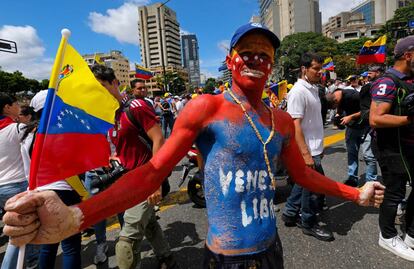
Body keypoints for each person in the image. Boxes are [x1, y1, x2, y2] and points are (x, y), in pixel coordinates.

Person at [3, 23, 385, 269]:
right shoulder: (206, 108)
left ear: (272, 65)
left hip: (272, 251)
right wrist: (77, 217)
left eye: (264, 55)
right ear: (230, 60)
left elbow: (302, 174)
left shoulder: (280, 119)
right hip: (226, 258)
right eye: (247, 52)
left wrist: (355, 193)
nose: (255, 60)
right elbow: (151, 172)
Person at [114, 79, 176, 269]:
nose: (142, 90)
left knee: (126, 241)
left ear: (113, 84)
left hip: (145, 180)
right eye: (139, 88)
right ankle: (167, 258)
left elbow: (159, 139)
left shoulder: (138, 106)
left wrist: (155, 182)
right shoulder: (111, 114)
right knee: (149, 224)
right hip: (126, 180)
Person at [369, 35, 414, 261]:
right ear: (408, 55)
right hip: (391, 149)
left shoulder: (409, 79)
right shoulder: (388, 81)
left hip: (408, 147)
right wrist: (409, 119)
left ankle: (411, 234)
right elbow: (376, 118)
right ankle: (387, 235)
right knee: (394, 193)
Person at [282, 53, 334, 242]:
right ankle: (308, 222)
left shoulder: (313, 88)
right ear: (304, 69)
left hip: (314, 147)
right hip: (306, 150)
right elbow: (295, 125)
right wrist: (306, 154)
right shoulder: (298, 91)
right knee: (312, 187)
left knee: (303, 183)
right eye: (316, 68)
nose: (320, 72)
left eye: (321, 68)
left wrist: (319, 146)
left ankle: (289, 213)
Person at [0, 93, 38, 269]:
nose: (18, 106)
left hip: (2, 187)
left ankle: (30, 260)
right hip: (17, 185)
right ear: (7, 108)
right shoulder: (16, 128)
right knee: (20, 234)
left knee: (16, 229)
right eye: (15, 103)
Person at [326, 85, 378, 187]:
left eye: (335, 107)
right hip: (352, 128)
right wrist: (338, 115)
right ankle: (352, 179)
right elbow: (340, 109)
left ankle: (371, 183)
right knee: (352, 154)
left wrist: (351, 116)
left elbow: (368, 109)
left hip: (366, 127)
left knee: (369, 156)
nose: (336, 108)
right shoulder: (336, 94)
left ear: (336, 100)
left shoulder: (353, 96)